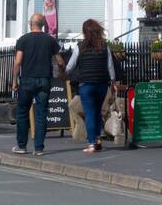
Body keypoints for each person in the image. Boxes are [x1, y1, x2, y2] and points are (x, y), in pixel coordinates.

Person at [12, 13, 65, 155]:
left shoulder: (23, 40)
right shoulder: (50, 40)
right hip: (44, 80)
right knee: (41, 114)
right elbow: (60, 61)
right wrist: (61, 73)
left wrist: (14, 82)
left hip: (27, 80)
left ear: (31, 23)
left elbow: (18, 62)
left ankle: (22, 146)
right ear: (43, 25)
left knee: (22, 112)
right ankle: (39, 148)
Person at [64, 19, 118, 154]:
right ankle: (98, 138)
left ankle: (92, 143)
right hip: (101, 84)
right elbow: (110, 66)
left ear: (84, 32)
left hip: (86, 85)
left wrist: (64, 73)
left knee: (89, 113)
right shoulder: (105, 46)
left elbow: (70, 66)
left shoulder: (80, 46)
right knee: (97, 111)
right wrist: (113, 81)